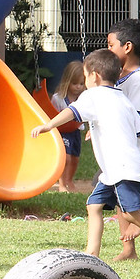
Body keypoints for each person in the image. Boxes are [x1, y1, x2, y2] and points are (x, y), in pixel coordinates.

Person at [31, 49, 140, 265]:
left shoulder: (93, 95)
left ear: (94, 75)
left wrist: (48, 125)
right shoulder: (121, 98)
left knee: (131, 213)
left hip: (121, 168)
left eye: (85, 77)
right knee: (94, 206)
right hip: (116, 169)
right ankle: (91, 254)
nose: (85, 82)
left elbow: (72, 112)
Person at [107, 18, 140, 261]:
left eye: (111, 45)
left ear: (127, 47)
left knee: (121, 199)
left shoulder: (138, 80)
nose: (108, 50)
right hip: (123, 148)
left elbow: (134, 119)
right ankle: (129, 250)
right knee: (119, 198)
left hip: (136, 149)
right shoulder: (120, 76)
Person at [51, 61, 85, 192]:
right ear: (67, 82)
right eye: (75, 84)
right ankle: (61, 184)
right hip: (63, 131)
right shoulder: (59, 98)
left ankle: (69, 180)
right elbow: (53, 113)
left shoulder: (83, 98)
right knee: (66, 158)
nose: (78, 87)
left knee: (75, 159)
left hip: (75, 131)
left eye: (81, 84)